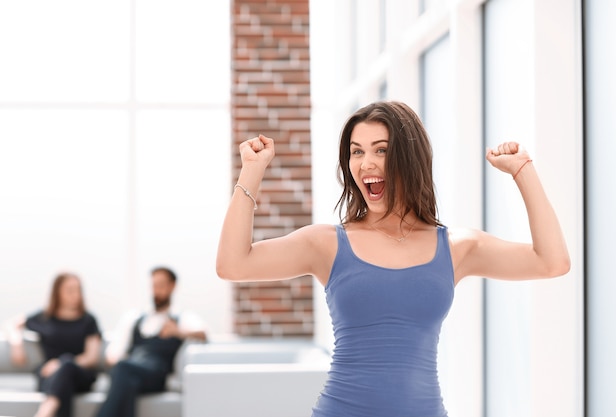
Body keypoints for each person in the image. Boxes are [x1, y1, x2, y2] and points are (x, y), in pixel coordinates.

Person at [216, 101, 570, 417]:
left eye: (381, 150)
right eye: (356, 152)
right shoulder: (326, 243)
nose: (366, 163)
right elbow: (233, 264)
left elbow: (551, 261)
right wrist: (251, 171)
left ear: (408, 158)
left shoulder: (456, 247)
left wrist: (523, 171)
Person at [94, 266, 207, 417]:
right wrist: (113, 358)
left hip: (156, 375)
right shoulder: (135, 319)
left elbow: (203, 334)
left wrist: (177, 331)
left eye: (161, 286)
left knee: (123, 371)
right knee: (127, 382)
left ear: (173, 286)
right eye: (154, 286)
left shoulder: (181, 318)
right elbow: (113, 354)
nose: (156, 291)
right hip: (131, 370)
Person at [7, 272, 102, 417]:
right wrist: (17, 344)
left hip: (79, 374)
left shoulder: (88, 320)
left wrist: (61, 363)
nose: (75, 295)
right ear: (58, 292)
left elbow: (91, 358)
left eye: (78, 290)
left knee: (66, 368)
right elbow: (14, 324)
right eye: (70, 290)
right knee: (62, 383)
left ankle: (44, 412)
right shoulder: (44, 317)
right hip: (49, 375)